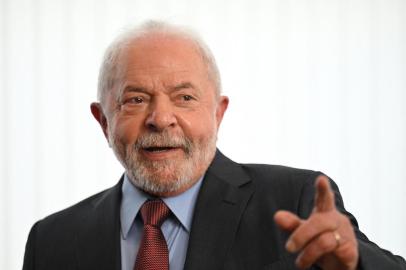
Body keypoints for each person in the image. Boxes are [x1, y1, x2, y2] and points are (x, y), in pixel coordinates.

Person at [23, 20, 406, 270]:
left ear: (218, 114)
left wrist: (355, 266)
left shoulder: (295, 202)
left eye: (184, 97)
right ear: (103, 120)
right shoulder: (51, 241)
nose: (161, 117)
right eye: (135, 99)